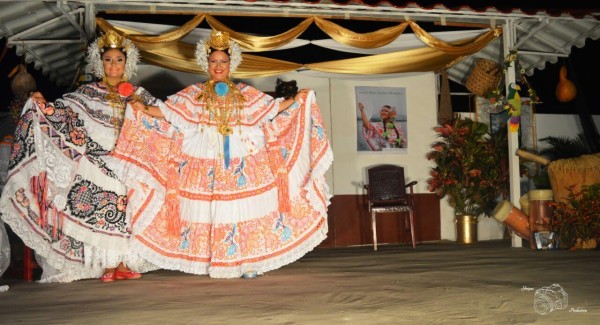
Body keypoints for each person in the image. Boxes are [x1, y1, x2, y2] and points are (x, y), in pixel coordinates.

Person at [106, 30, 333, 278]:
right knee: (210, 210)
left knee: (242, 208)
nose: (218, 66)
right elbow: (169, 112)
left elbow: (271, 109)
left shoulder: (245, 93)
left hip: (241, 157)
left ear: (230, 64)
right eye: (213, 62)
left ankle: (246, 262)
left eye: (223, 62)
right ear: (207, 64)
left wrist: (298, 100)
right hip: (204, 157)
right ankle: (215, 259)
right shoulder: (194, 94)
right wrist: (144, 109)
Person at [0, 31, 157, 283]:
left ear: (127, 63)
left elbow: (159, 119)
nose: (113, 65)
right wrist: (42, 104)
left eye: (118, 60)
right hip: (97, 162)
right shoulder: (87, 93)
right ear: (100, 63)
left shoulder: (138, 93)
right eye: (108, 60)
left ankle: (123, 262)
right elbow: (62, 113)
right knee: (106, 193)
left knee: (132, 201)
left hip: (128, 162)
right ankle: (107, 264)